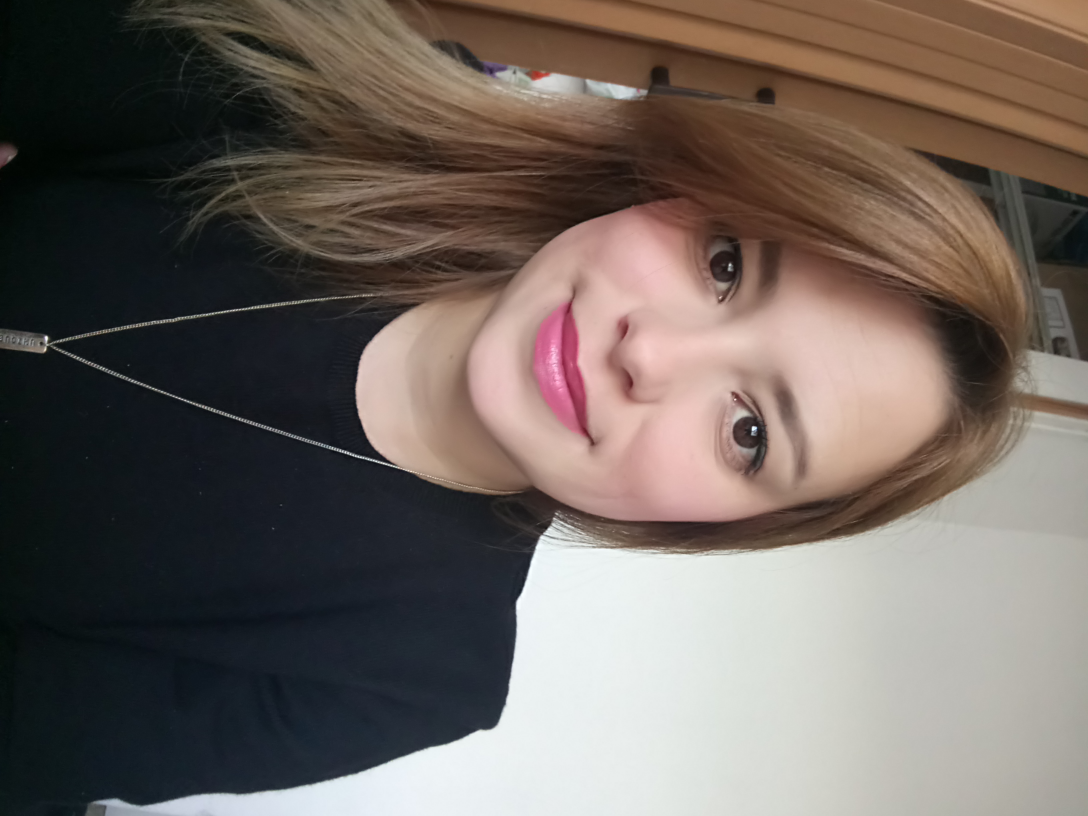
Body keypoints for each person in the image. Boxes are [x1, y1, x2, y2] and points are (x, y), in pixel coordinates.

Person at [0, 0, 1029, 812]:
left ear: (723, 524)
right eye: (724, 264)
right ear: (680, 187)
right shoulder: (347, 98)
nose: (650, 352)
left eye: (748, 431)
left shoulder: (402, 678)